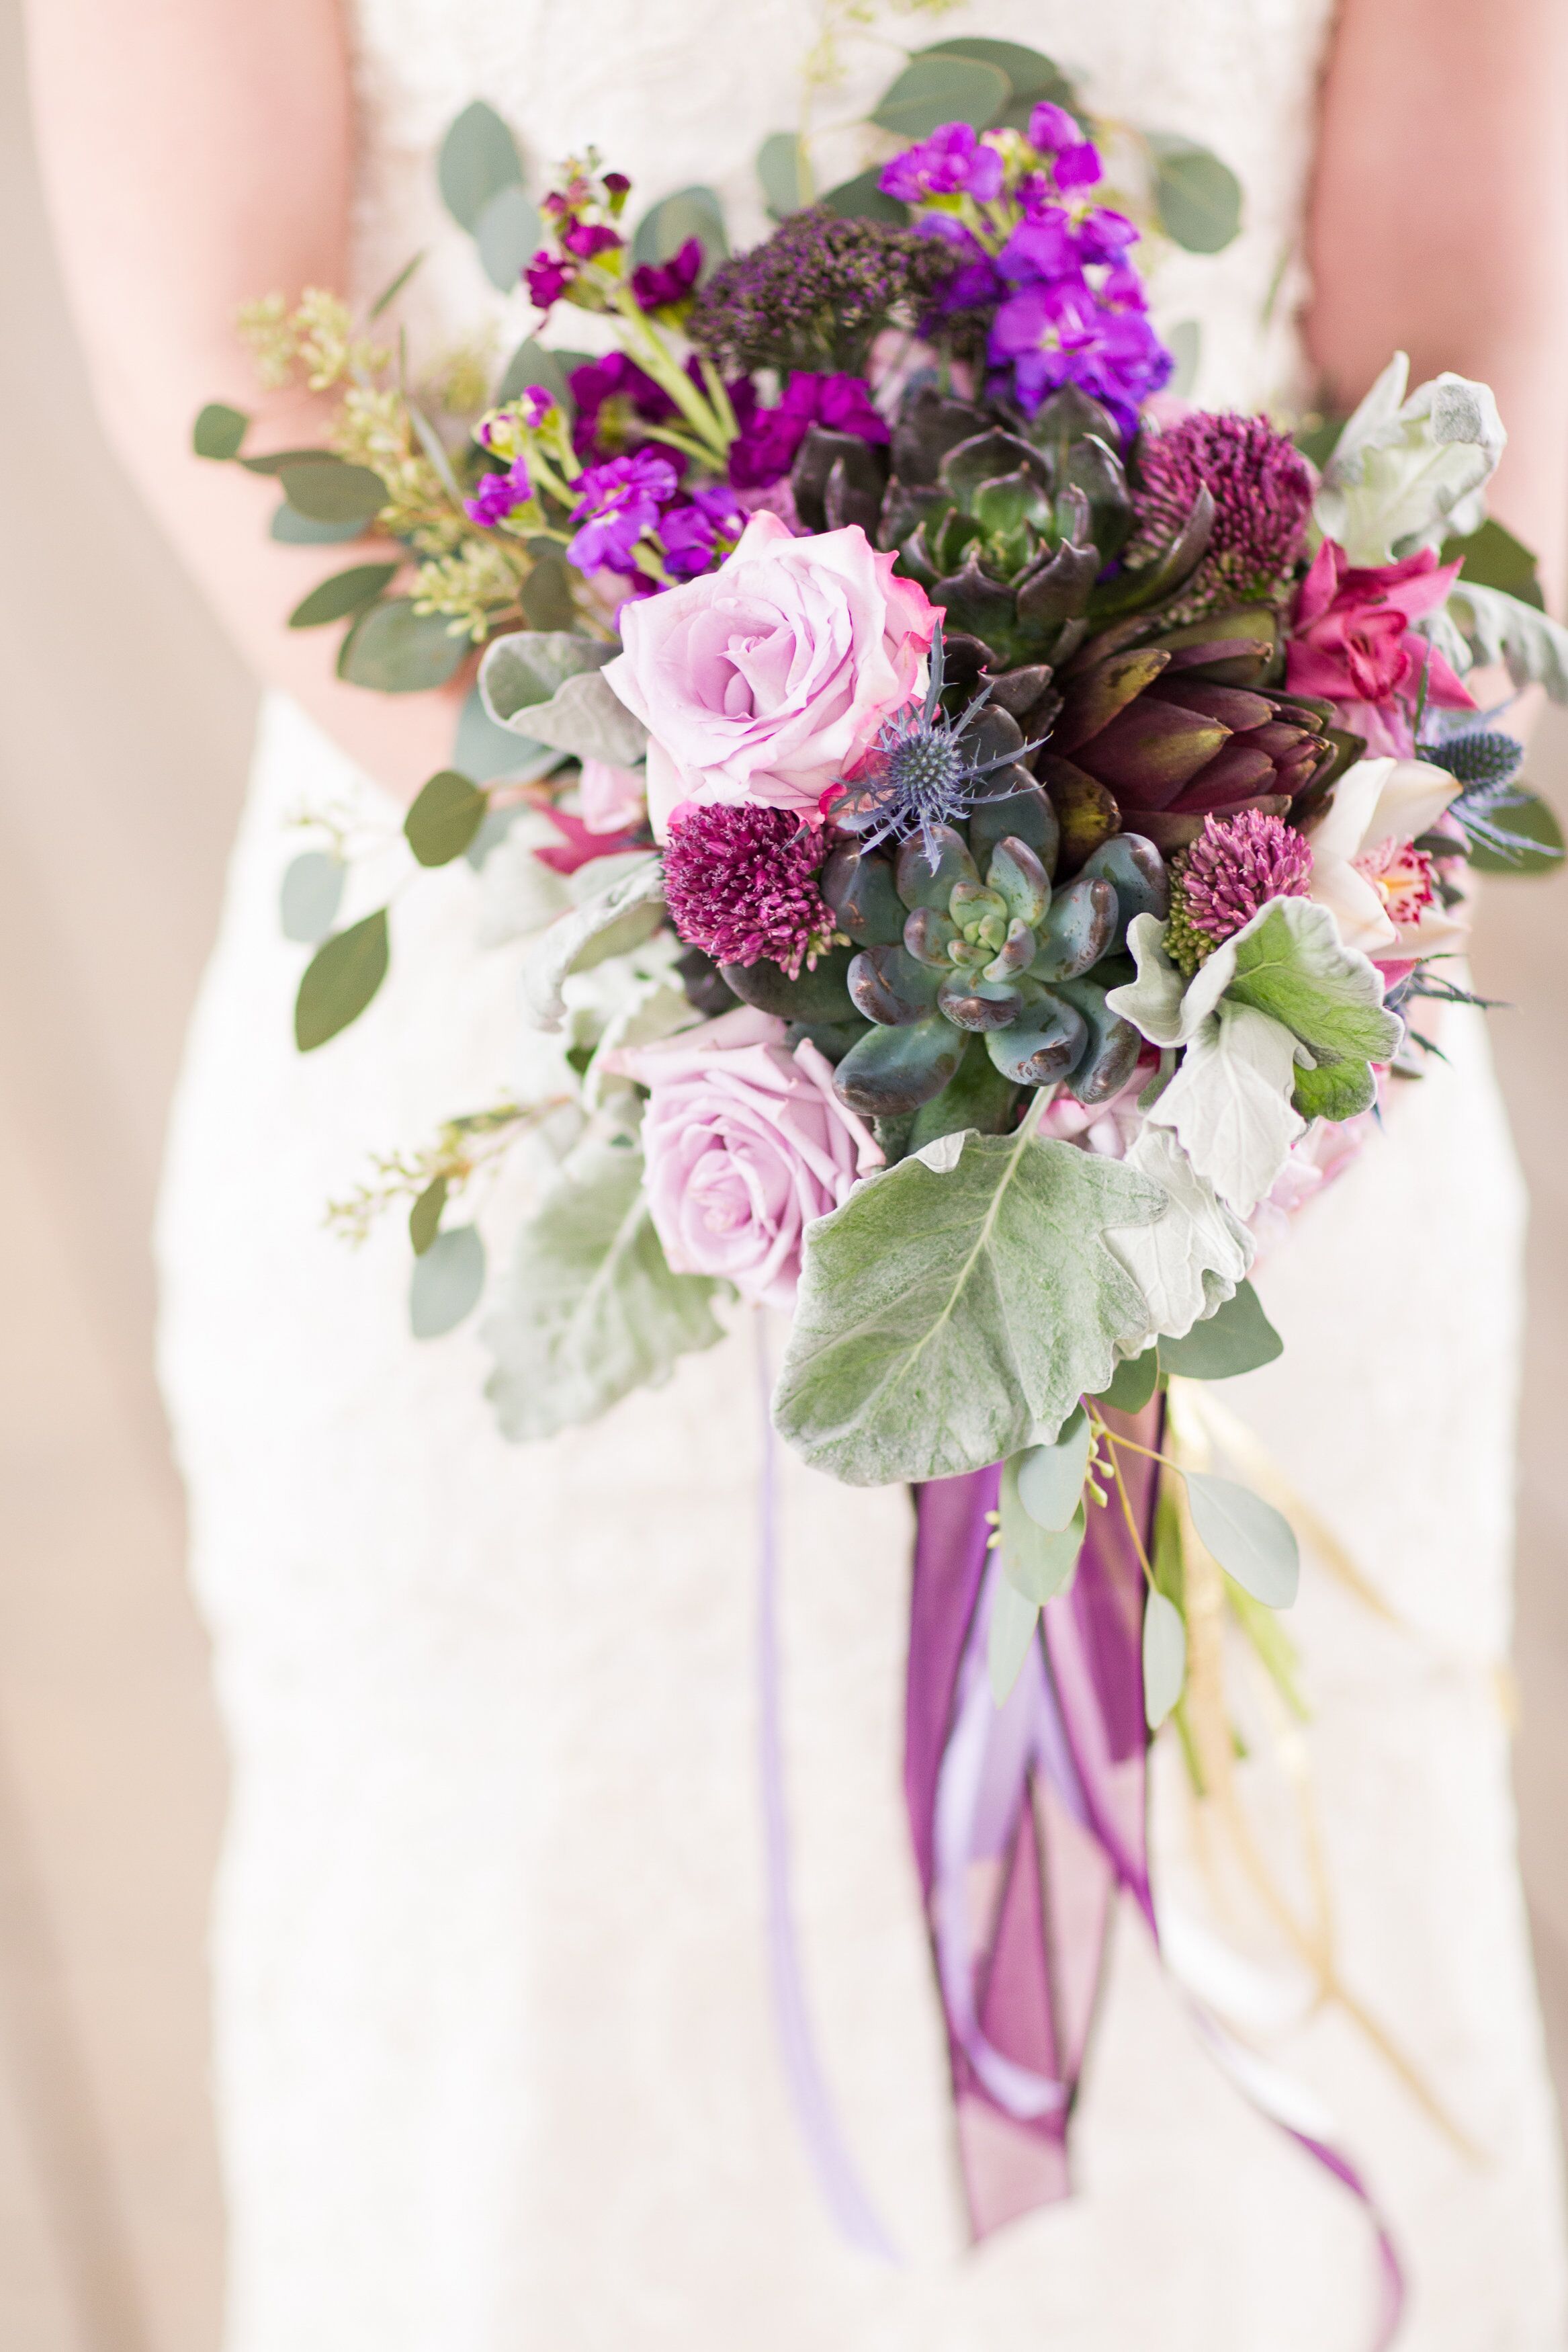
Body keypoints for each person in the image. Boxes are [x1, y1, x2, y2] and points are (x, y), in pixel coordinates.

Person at [23, 1, 1568, 2343]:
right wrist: (758, 889)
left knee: (1233, 2139)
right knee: (533, 2097)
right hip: (531, 1025)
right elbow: (231, 367)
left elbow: (1457, 314)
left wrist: (1221, 896)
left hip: (1221, 1048)